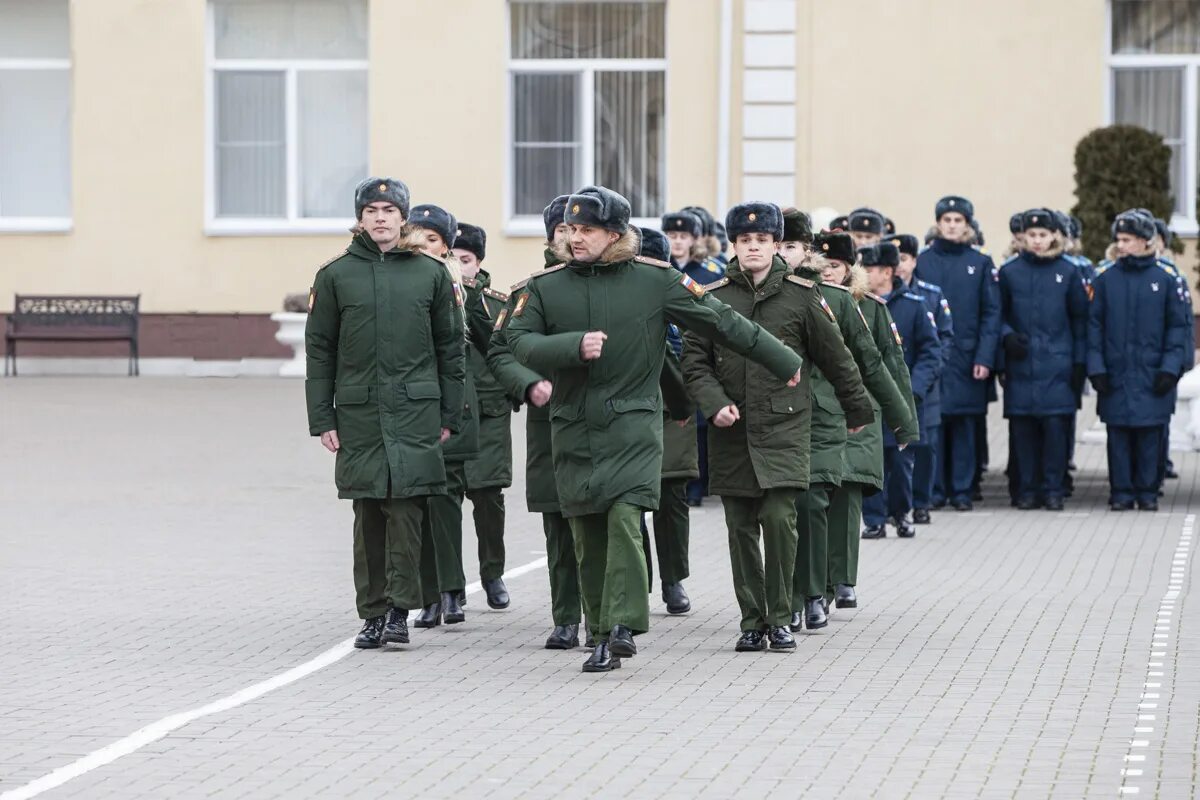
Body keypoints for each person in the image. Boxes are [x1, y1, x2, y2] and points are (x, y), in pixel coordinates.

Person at [507, 185, 808, 673]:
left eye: (588, 230)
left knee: (625, 518)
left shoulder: (655, 280)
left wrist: (782, 358)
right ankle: (601, 632)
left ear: (616, 234)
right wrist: (570, 347)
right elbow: (516, 341)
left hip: (633, 425)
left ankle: (623, 626)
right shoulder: (546, 287)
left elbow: (722, 321)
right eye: (572, 229)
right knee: (587, 534)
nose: (576, 238)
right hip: (573, 427)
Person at [682, 203, 874, 652]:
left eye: (763, 240)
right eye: (745, 241)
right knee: (741, 527)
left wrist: (858, 411)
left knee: (780, 519)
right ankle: (753, 620)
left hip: (786, 425)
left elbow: (836, 357)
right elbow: (693, 362)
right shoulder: (712, 297)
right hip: (732, 430)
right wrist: (714, 404)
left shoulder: (802, 295)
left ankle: (781, 617)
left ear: (775, 246)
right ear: (734, 245)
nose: (754, 247)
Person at [305, 177, 464, 649]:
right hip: (359, 414)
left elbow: (450, 348)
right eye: (371, 209)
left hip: (416, 412)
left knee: (407, 511)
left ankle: (399, 610)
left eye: (388, 210)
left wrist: (450, 414)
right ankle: (372, 614)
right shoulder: (335, 275)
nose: (380, 217)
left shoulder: (430, 273)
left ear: (403, 217)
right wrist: (323, 418)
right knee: (368, 513)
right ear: (360, 218)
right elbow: (320, 351)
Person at [780, 217, 915, 629]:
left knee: (840, 495)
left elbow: (881, 364)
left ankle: (834, 583)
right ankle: (804, 588)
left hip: (848, 413)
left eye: (791, 246)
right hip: (785, 414)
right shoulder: (770, 295)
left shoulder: (855, 304)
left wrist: (902, 420)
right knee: (797, 505)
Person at [487, 195, 582, 649]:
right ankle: (566, 615)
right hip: (550, 421)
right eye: (561, 230)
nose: (571, 238)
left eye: (578, 230)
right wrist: (528, 383)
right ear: (549, 238)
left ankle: (614, 613)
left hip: (604, 418)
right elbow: (500, 349)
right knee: (558, 522)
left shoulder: (613, 281)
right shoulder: (531, 289)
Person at [405, 204, 479, 628]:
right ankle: (427, 594)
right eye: (416, 236)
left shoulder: (463, 291)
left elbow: (499, 344)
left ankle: (451, 590)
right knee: (421, 502)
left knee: (446, 502)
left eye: (432, 239)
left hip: (452, 408)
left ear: (447, 246)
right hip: (413, 408)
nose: (423, 246)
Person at [1088, 211, 1191, 511]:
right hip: (1116, 372)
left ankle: (1147, 491)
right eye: (1118, 239)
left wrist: (1171, 368)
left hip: (1153, 372)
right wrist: (1096, 367)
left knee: (1150, 434)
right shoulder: (1105, 278)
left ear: (1145, 242)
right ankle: (1121, 491)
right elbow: (1094, 326)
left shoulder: (1167, 279)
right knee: (1118, 434)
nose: (1120, 245)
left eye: (1127, 240)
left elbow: (1178, 328)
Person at [997, 209, 1089, 510]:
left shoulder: (1069, 271)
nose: (1037, 241)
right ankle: (1026, 489)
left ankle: (1053, 489)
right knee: (1023, 431)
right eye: (1032, 235)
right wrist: (1008, 336)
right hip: (1021, 365)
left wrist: (1079, 363)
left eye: (1043, 235)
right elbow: (997, 314)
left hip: (1057, 366)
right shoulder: (1010, 272)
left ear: (1054, 236)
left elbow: (1080, 320)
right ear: (1023, 237)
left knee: (1054, 431)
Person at [915, 195, 1001, 511]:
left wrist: (985, 357)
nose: (952, 226)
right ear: (938, 223)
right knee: (934, 425)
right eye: (946, 220)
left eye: (958, 221)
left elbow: (992, 314)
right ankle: (935, 490)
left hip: (968, 357)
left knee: (965, 425)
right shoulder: (923, 262)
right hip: (933, 355)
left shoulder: (980, 263)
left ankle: (963, 490)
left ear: (967, 225)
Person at [453, 222, 516, 609]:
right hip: (448, 414)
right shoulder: (433, 295)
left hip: (490, 412)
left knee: (488, 498)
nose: (459, 267)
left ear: (479, 263)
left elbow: (507, 351)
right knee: (442, 503)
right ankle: (450, 587)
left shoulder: (498, 304)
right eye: (452, 258)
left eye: (466, 259)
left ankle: (492, 574)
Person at [636, 227, 698, 615]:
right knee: (630, 500)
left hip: (675, 409)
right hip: (634, 407)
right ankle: (637, 579)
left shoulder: (682, 295)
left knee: (671, 498)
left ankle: (673, 581)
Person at [860, 242, 942, 536]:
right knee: (869, 461)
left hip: (903, 399)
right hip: (868, 398)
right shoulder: (858, 305)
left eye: (869, 269)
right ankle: (873, 520)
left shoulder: (914, 305)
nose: (864, 274)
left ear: (887, 271)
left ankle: (900, 513)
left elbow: (931, 352)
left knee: (900, 460)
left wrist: (915, 388)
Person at [891, 233, 952, 524]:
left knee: (925, 447)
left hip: (925, 387)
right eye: (895, 260)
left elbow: (943, 340)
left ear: (914, 261)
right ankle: (896, 505)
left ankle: (922, 501)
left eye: (904, 259)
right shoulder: (880, 295)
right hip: (891, 387)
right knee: (895, 448)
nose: (899, 266)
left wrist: (926, 377)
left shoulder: (931, 295)